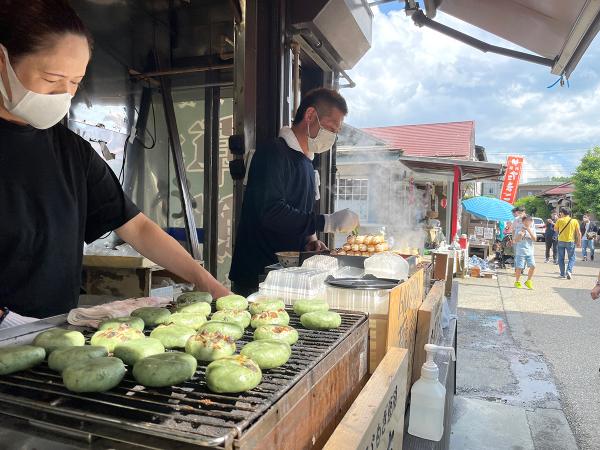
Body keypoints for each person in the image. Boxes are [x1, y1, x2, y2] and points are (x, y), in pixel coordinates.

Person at [0, 1, 229, 326]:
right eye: (52, 78)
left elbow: (135, 226)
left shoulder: (70, 151)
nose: (63, 95)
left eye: (75, 82)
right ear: (2, 61)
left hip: (53, 338)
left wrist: (209, 283)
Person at [229, 88, 359, 296]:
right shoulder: (272, 154)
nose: (333, 137)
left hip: (290, 278)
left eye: (336, 132)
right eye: (330, 128)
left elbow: (300, 213)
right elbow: (270, 212)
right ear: (309, 115)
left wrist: (311, 240)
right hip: (257, 279)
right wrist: (326, 222)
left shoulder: (308, 164)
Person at [554, 207, 581, 279]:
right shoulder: (574, 221)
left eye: (561, 212)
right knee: (572, 258)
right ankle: (569, 271)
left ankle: (562, 274)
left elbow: (555, 230)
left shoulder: (559, 220)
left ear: (562, 213)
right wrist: (579, 242)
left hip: (561, 241)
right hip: (570, 241)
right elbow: (578, 233)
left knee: (560, 258)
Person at [514, 215, 536, 289]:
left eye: (530, 221)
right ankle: (517, 281)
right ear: (523, 221)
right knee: (519, 268)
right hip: (520, 251)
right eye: (526, 221)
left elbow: (534, 239)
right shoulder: (519, 229)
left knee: (533, 266)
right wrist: (521, 234)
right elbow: (516, 240)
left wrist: (529, 230)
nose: (528, 222)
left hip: (530, 252)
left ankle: (528, 281)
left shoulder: (532, 229)